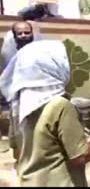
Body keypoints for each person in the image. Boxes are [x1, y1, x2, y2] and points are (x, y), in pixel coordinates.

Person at [0, 39, 90, 186]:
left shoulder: (18, 106)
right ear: (53, 66)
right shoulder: (60, 106)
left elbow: (18, 154)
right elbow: (80, 157)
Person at [0, 21, 38, 159]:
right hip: (17, 105)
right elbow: (5, 79)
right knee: (18, 140)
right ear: (14, 36)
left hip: (38, 103)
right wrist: (5, 105)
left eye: (27, 32)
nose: (23, 35)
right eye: (19, 33)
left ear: (32, 34)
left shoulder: (41, 53)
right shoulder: (9, 55)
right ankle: (20, 169)